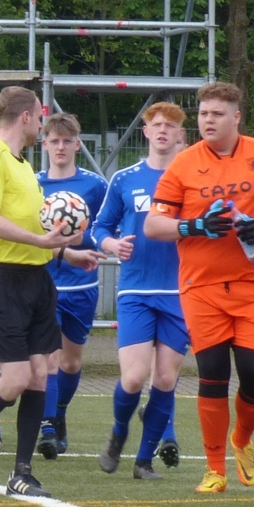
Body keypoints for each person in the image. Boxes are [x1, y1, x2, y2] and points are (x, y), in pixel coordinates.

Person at [145, 82, 254, 494]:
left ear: (236, 117)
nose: (208, 120)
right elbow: (153, 225)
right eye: (203, 114)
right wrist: (194, 226)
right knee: (212, 375)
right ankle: (215, 469)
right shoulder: (183, 164)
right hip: (202, 287)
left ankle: (242, 439)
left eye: (217, 114)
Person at [0, 86, 73, 498]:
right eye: (39, 117)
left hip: (37, 280)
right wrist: (40, 242)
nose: (41, 124)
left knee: (40, 374)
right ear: (25, 117)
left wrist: (67, 251)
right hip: (3, 280)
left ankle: (21, 474)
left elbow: (34, 230)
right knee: (17, 376)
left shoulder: (24, 166)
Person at [92, 101, 190, 476]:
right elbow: (99, 227)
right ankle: (119, 432)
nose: (163, 130)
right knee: (133, 378)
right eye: (156, 125)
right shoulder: (125, 179)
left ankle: (144, 460)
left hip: (179, 293)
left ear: (180, 134)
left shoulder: (192, 178)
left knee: (165, 379)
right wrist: (111, 245)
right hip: (135, 291)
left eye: (170, 126)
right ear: (146, 132)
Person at [35, 112, 107, 458]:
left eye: (67, 141)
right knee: (49, 359)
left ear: (78, 145)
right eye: (54, 141)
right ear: (44, 144)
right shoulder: (33, 184)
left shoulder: (95, 185)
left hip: (81, 287)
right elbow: (28, 231)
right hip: (44, 283)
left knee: (71, 363)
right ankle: (47, 426)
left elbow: (107, 226)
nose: (60, 147)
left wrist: (88, 239)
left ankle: (59, 412)